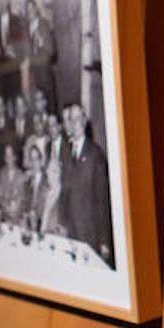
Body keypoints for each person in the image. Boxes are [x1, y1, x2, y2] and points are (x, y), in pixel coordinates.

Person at [59, 103, 114, 268]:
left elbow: (102, 201)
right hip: (72, 230)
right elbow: (65, 190)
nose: (74, 123)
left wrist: (104, 240)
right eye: (71, 119)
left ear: (84, 121)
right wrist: (62, 223)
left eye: (77, 119)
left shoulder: (95, 155)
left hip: (90, 232)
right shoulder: (67, 152)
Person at [24, 0, 58, 108]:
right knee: (34, 106)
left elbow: (52, 51)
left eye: (31, 9)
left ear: (36, 9)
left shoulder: (45, 24)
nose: (30, 12)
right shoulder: (25, 27)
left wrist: (41, 42)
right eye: (27, 10)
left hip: (44, 71)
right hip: (32, 72)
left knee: (49, 104)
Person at [0, 144, 26, 225]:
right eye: (6, 156)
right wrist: (6, 207)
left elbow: (22, 196)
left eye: (10, 155)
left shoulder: (20, 174)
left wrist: (14, 208)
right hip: (5, 214)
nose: (8, 158)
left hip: (17, 214)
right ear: (4, 158)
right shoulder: (1, 173)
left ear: (15, 157)